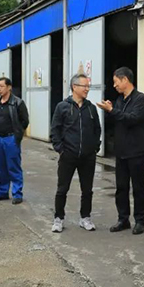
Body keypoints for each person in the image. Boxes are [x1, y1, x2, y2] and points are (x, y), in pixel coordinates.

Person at [97, 67, 144, 235]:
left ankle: (140, 220)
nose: (114, 86)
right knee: (121, 188)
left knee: (138, 187)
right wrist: (110, 110)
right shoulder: (120, 100)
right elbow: (116, 121)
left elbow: (132, 119)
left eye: (116, 82)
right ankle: (123, 219)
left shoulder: (141, 99)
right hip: (121, 152)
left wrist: (112, 111)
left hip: (137, 152)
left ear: (125, 80)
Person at [50, 74, 102, 233]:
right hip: (68, 156)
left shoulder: (91, 108)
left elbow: (97, 130)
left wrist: (94, 148)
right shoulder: (62, 107)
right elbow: (55, 130)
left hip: (88, 157)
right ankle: (58, 218)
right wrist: (61, 149)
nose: (87, 89)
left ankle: (85, 217)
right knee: (62, 189)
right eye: (84, 86)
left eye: (88, 86)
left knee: (87, 190)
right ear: (74, 87)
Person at [0, 77, 29, 205]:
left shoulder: (17, 103)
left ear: (9, 87)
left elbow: (24, 121)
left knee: (13, 166)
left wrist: (17, 134)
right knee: (1, 167)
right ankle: (2, 192)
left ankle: (17, 194)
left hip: (11, 138)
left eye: (1, 86)